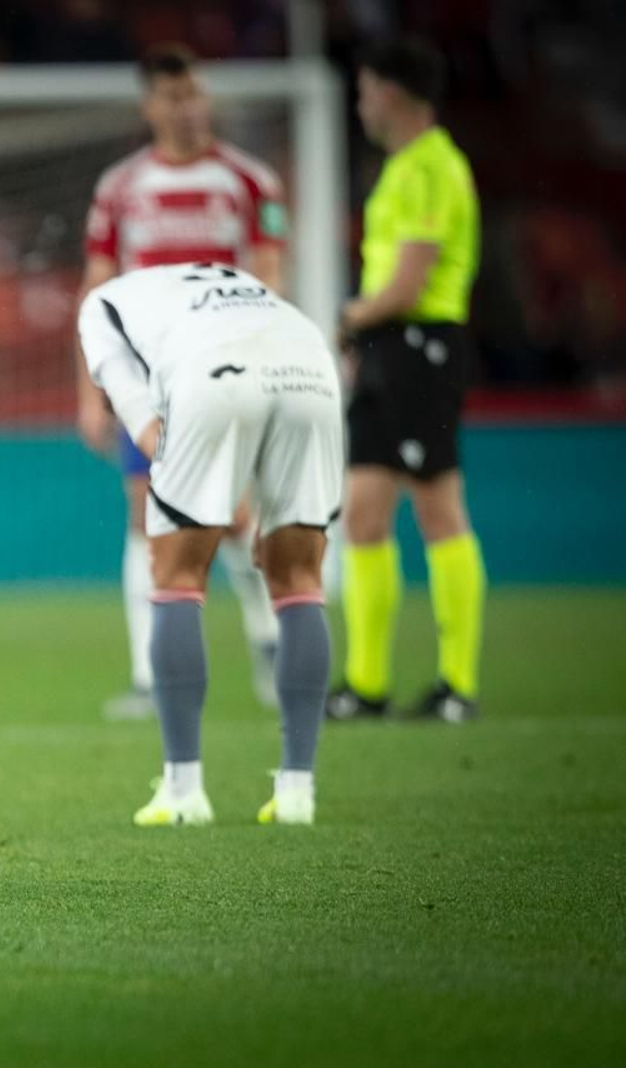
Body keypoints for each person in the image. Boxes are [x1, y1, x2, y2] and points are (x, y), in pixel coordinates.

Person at [78, 263, 343, 825]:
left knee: (175, 576)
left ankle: (183, 791)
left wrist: (212, 504)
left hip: (216, 374)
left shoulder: (99, 310)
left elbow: (150, 435)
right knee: (299, 580)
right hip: (312, 367)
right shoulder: (209, 284)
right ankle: (299, 791)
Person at [75, 44, 286, 720]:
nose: (188, 107)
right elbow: (97, 289)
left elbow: (271, 280)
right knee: (145, 517)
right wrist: (91, 390)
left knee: (234, 517)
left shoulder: (249, 182)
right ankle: (148, 677)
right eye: (172, 95)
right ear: (150, 105)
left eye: (195, 93)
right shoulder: (120, 189)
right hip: (147, 376)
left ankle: (270, 640)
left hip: (223, 373)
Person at [327, 38, 484, 724]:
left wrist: (349, 315)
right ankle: (365, 684)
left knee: (438, 509)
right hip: (392, 351)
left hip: (424, 347)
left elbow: (411, 284)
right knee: (362, 511)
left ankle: (457, 684)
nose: (360, 104)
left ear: (390, 91)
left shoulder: (431, 168)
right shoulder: (402, 168)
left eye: (364, 90)